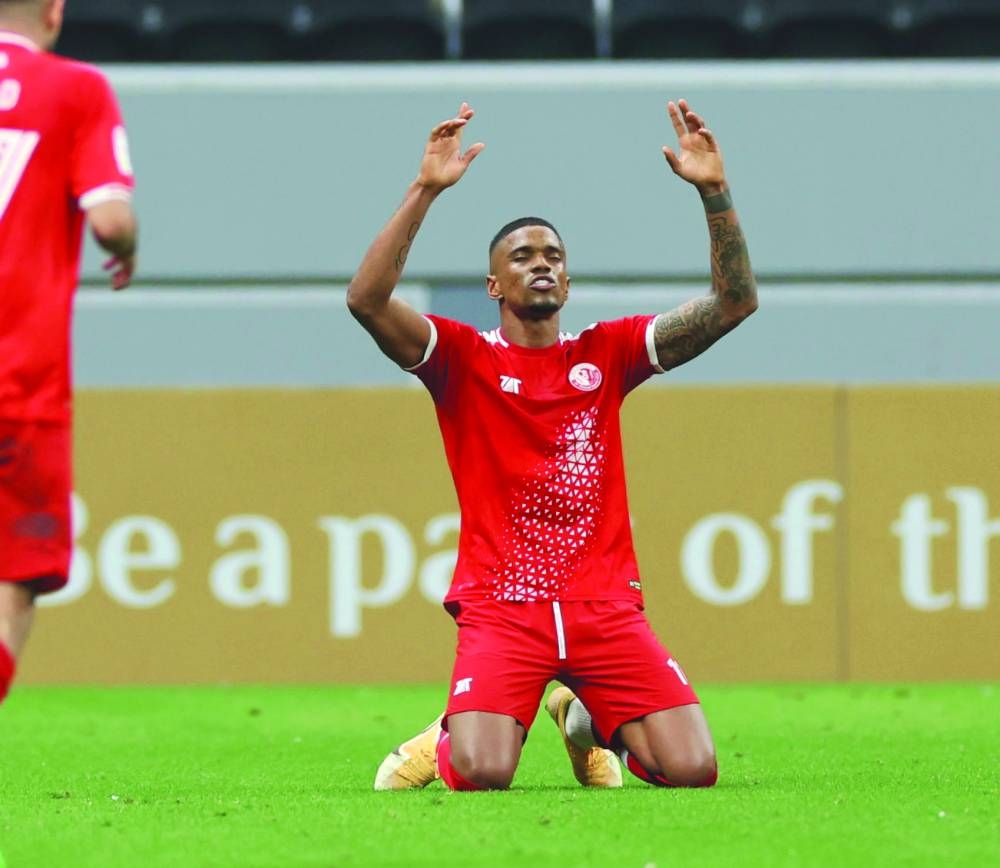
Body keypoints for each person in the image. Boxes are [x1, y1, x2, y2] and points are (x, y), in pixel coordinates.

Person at [350, 99, 757, 791]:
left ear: (566, 280)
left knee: (692, 770)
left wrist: (713, 191)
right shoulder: (461, 358)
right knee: (482, 773)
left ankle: (585, 721)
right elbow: (366, 299)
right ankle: (447, 734)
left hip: (604, 605)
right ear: (494, 285)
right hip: (504, 608)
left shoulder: (611, 352)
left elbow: (733, 302)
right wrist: (425, 190)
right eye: (522, 256)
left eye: (553, 256)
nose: (541, 264)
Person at [0, 0, 137, 705]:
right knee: (16, 572)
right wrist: (128, 249)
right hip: (19, 381)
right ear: (54, 11)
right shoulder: (77, 88)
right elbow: (110, 220)